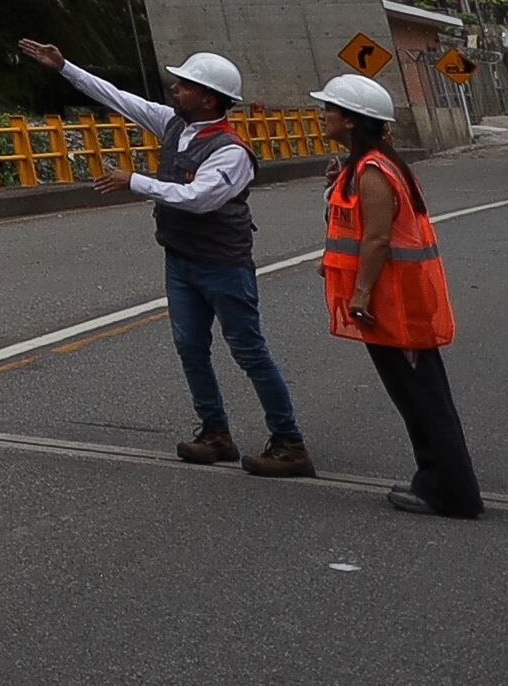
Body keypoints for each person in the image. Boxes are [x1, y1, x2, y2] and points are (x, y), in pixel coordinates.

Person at [16, 37, 312, 476]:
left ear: (208, 98)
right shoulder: (174, 123)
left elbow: (197, 198)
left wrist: (134, 180)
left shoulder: (231, 152)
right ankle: (215, 432)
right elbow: (117, 98)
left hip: (223, 265)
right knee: (190, 348)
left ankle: (289, 441)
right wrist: (64, 67)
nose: (174, 89)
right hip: (181, 259)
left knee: (248, 351)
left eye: (184, 85)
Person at [313, 71, 479, 518]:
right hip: (397, 302)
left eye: (330, 108)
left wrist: (361, 295)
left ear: (351, 120)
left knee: (424, 401)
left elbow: (377, 240)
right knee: (419, 398)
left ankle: (451, 492)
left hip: (397, 305)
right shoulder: (365, 166)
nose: (323, 114)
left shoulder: (373, 171)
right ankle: (437, 484)